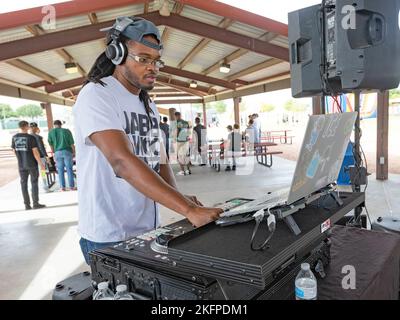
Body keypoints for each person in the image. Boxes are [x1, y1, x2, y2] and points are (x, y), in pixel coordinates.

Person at [72, 16, 222, 264]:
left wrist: (180, 197)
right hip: (109, 234)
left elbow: (159, 159)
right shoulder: (97, 94)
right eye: (143, 59)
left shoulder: (148, 103)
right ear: (117, 55)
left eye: (156, 61)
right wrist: (188, 210)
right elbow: (121, 160)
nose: (153, 67)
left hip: (147, 229)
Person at [11, 121, 46, 210]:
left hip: (21, 165)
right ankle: (35, 203)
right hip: (32, 164)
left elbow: (14, 150)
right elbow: (35, 151)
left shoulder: (14, 137)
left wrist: (20, 159)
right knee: (34, 183)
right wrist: (41, 163)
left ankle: (27, 205)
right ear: (26, 127)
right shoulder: (31, 137)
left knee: (23, 184)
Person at [48, 120, 76, 191]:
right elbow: (71, 143)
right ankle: (71, 187)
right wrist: (74, 152)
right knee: (69, 169)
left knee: (60, 170)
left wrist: (54, 152)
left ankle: (62, 187)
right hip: (67, 151)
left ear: (54, 125)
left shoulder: (51, 132)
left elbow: (50, 143)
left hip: (57, 152)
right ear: (61, 124)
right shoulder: (67, 131)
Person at [29, 122, 50, 192]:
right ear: (36, 128)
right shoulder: (38, 137)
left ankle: (33, 188)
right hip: (40, 156)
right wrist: (46, 156)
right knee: (43, 171)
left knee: (34, 173)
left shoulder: (28, 137)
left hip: (31, 158)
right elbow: (41, 147)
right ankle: (45, 187)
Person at [175, 111, 191, 175]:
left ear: (176, 116)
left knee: (180, 156)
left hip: (179, 141)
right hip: (186, 141)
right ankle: (188, 170)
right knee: (186, 155)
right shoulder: (186, 122)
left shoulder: (177, 123)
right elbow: (189, 132)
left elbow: (177, 132)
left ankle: (182, 171)